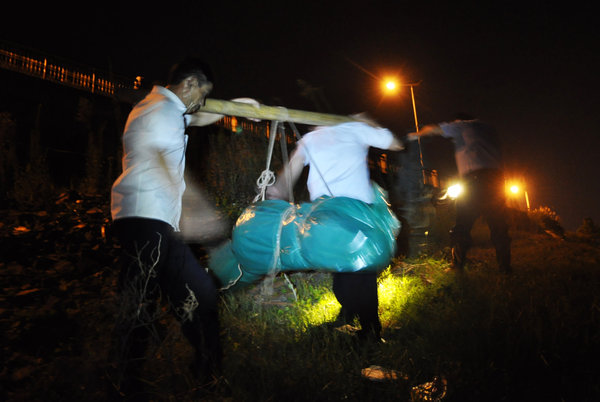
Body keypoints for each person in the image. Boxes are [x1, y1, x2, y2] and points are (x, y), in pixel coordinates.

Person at [110, 57, 232, 397]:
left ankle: (206, 371)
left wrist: (243, 107)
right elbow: (164, 160)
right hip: (148, 221)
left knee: (182, 295)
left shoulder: (159, 107)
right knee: (141, 303)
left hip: (149, 220)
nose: (201, 101)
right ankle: (124, 382)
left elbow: (200, 116)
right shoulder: (163, 112)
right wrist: (198, 208)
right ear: (190, 83)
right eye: (202, 93)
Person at [266, 115, 404, 342]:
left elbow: (396, 143)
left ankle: (370, 329)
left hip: (358, 212)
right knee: (341, 271)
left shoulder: (354, 129)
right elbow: (294, 166)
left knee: (360, 272)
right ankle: (351, 315)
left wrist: (369, 121)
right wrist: (278, 188)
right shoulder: (310, 138)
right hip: (327, 214)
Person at [407, 114, 512, 273]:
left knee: (462, 225)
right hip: (496, 180)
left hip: (475, 180)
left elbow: (435, 129)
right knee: (499, 226)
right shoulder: (488, 128)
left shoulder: (462, 126)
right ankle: (505, 268)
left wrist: (417, 134)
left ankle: (457, 266)